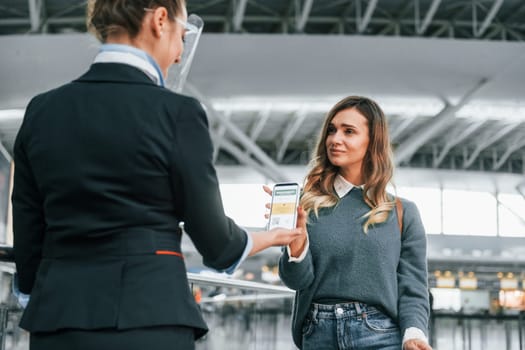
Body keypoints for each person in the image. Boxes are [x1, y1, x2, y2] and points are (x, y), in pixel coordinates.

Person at [11, 1, 304, 349]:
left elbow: (28, 236)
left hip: (57, 320)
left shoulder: (42, 111)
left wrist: (38, 293)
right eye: (182, 36)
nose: (180, 54)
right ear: (160, 19)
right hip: (148, 316)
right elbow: (217, 244)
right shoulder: (177, 113)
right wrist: (268, 238)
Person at [275, 96, 432, 350]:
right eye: (332, 130)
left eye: (349, 131)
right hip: (317, 334)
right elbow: (296, 282)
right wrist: (297, 245)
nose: (335, 139)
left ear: (372, 142)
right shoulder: (306, 205)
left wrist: (414, 333)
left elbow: (413, 287)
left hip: (380, 335)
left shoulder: (403, 213)